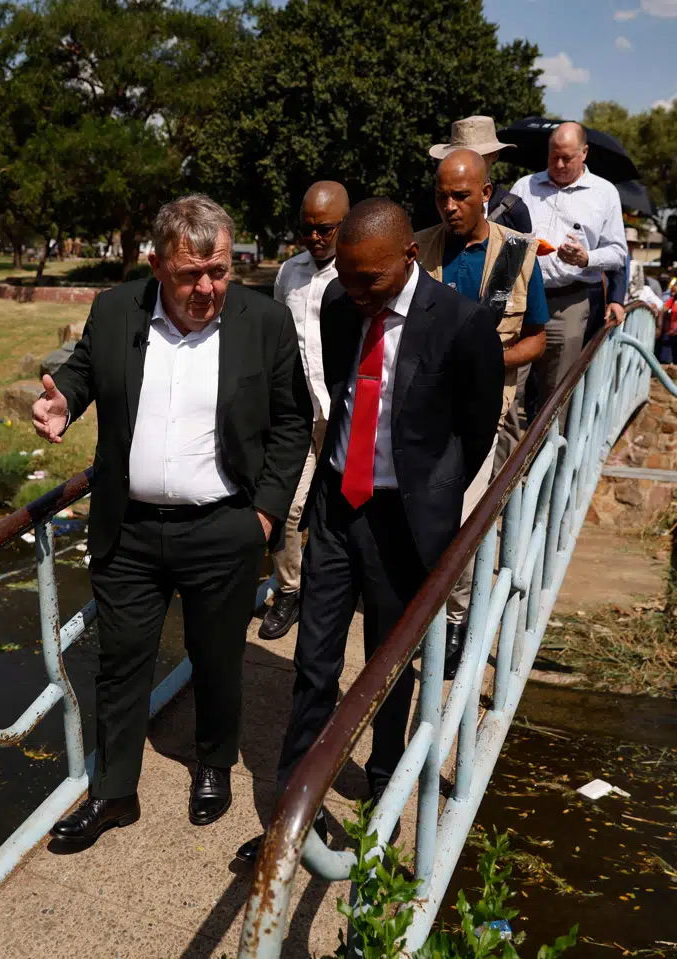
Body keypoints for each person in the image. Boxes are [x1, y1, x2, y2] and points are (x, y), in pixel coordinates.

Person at [32, 194, 312, 846]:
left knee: (217, 658)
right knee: (120, 662)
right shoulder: (115, 310)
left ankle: (213, 763)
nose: (207, 288)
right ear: (158, 265)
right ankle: (113, 793)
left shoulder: (265, 322)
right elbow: (83, 370)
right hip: (128, 529)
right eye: (191, 275)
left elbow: (292, 422)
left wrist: (265, 514)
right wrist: (63, 401)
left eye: (219, 271)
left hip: (224, 526)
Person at [235, 198, 504, 864]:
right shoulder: (339, 304)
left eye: (370, 280)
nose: (356, 292)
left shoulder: (463, 323)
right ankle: (295, 806)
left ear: (409, 256)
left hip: (403, 520)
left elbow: (474, 434)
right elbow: (339, 388)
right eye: (348, 278)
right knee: (314, 661)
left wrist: (429, 496)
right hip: (337, 506)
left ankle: (384, 788)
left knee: (389, 663)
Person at [412, 148, 546, 671]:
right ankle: (417, 609)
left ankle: (455, 619)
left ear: (486, 194)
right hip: (422, 407)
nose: (449, 206)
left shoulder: (518, 254)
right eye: (441, 196)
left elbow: (536, 339)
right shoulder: (417, 249)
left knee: (465, 518)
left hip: (483, 411)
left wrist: (488, 362)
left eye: (461, 196)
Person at [260, 182, 351, 640]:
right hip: (299, 412)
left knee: (345, 510)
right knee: (289, 508)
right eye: (307, 229)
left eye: (325, 229)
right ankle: (290, 590)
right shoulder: (288, 274)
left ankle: (341, 590)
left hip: (347, 412)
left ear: (346, 224)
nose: (314, 238)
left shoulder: (357, 270)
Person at [510, 122, 627, 420]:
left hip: (569, 303)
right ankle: (507, 450)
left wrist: (586, 258)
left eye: (567, 158)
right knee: (508, 387)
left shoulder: (605, 193)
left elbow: (618, 252)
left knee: (557, 394)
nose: (559, 165)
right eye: (554, 157)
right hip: (522, 298)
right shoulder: (524, 186)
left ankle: (550, 450)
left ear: (584, 153)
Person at [426, 116, 533, 233]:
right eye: (458, 155)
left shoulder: (514, 211)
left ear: (495, 155)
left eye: (476, 156)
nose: (465, 162)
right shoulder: (430, 204)